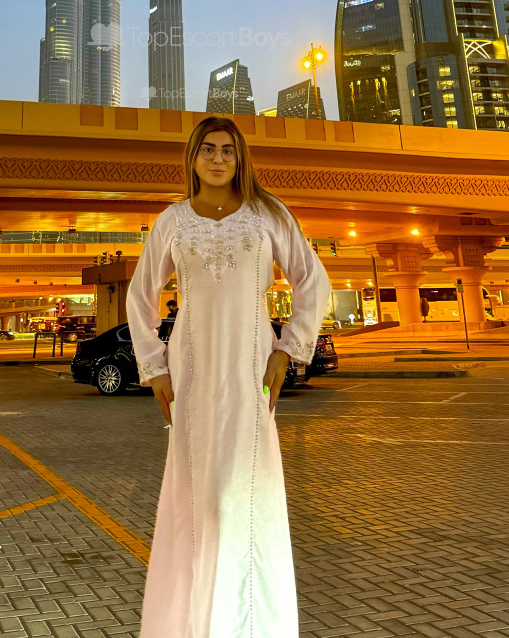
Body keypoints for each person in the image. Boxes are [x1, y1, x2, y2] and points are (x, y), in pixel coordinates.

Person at [126, 115, 331, 638]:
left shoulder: (268, 214)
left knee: (242, 493)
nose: (218, 159)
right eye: (208, 149)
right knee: (199, 495)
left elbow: (313, 281)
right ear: (192, 157)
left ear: (241, 159)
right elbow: (139, 295)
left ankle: (245, 622)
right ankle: (191, 622)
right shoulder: (172, 220)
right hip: (190, 372)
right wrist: (154, 367)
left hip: (250, 370)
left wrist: (288, 350)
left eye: (228, 150)